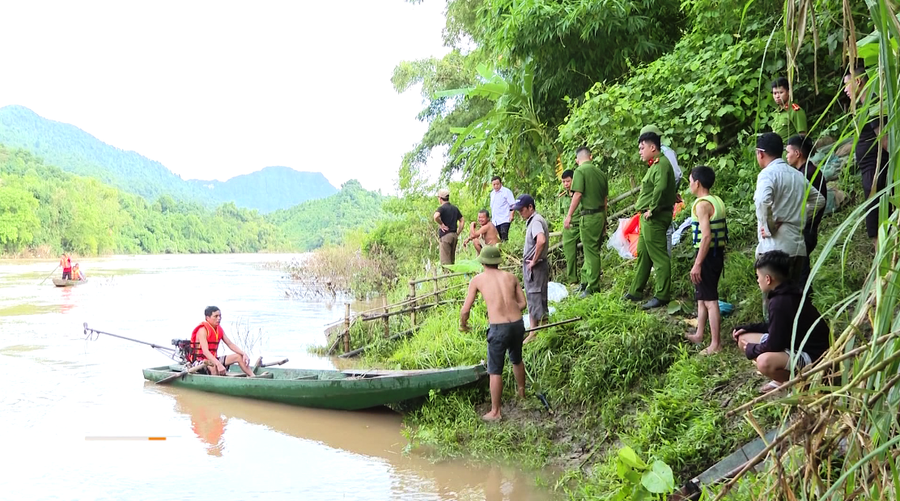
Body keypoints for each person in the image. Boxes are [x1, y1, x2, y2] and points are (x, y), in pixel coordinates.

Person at [733, 251, 831, 393]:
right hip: (794, 344)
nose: (757, 280)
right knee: (743, 337)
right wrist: (748, 328)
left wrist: (751, 349)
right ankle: (781, 380)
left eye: (758, 277)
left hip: (814, 356)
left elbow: (774, 344)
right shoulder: (786, 293)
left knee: (764, 362)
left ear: (768, 279)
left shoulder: (781, 301)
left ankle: (800, 384)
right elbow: (776, 327)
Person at [459, 245, 527, 421]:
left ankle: (495, 411)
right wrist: (510, 311)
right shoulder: (511, 277)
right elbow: (523, 303)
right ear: (498, 262)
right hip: (518, 324)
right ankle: (522, 393)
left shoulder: (478, 280)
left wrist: (463, 325)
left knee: (495, 369)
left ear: (482, 261)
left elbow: (465, 310)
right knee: (517, 359)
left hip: (499, 328)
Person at [754, 132, 824, 291]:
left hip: (774, 249)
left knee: (774, 300)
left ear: (761, 153)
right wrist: (798, 216)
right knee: (794, 297)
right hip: (797, 247)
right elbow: (819, 200)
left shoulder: (767, 174)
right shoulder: (796, 174)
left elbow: (763, 201)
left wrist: (769, 226)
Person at [625, 132, 677, 310]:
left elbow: (661, 188)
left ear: (652, 147)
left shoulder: (661, 164)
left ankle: (662, 295)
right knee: (644, 255)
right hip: (647, 218)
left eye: (642, 148)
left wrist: (652, 209)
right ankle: (636, 291)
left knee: (659, 257)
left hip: (655, 217)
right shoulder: (654, 165)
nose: (640, 151)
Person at [844, 61, 891, 244]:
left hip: (875, 168)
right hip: (870, 168)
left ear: (859, 82)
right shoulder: (864, 105)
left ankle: (882, 261)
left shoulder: (871, 104)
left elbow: (884, 139)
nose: (846, 91)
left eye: (848, 85)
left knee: (875, 218)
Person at [684, 166, 728, 355]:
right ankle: (700, 334)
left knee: (710, 300)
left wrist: (698, 263)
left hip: (708, 256)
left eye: (690, 181)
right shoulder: (715, 200)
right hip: (715, 253)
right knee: (702, 297)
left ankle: (716, 344)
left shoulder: (702, 205)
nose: (689, 185)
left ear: (697, 183)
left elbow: (706, 236)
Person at [563, 147, 608, 297]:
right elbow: (605, 199)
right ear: (591, 157)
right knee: (591, 250)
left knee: (591, 252)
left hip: (589, 216)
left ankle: (593, 286)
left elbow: (577, 194)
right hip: (600, 214)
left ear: (577, 160)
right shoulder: (601, 174)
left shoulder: (580, 172)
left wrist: (569, 215)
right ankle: (584, 281)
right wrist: (605, 220)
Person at [512, 194, 549, 342]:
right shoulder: (533, 221)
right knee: (534, 297)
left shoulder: (536, 221)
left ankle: (538, 331)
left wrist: (533, 261)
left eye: (522, 209)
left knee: (536, 296)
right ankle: (536, 330)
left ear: (530, 207)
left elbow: (541, 240)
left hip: (536, 266)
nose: (520, 213)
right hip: (535, 266)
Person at [785, 134, 828, 255]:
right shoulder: (807, 170)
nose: (786, 156)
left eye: (788, 152)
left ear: (797, 153)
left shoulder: (806, 174)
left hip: (805, 231)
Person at [189, 306, 255, 376]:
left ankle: (253, 377)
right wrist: (218, 364)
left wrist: (243, 353)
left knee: (239, 357)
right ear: (207, 318)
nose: (219, 318)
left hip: (213, 359)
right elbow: (205, 352)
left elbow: (230, 344)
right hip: (200, 361)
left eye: (220, 316)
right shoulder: (202, 330)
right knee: (213, 366)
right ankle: (216, 384)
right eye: (216, 316)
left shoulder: (219, 329)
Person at [558, 169, 584, 288]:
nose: (566, 184)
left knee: (588, 251)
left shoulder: (581, 193)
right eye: (563, 182)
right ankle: (573, 280)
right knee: (570, 256)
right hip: (569, 227)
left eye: (568, 181)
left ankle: (589, 276)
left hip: (582, 225)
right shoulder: (562, 197)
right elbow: (562, 213)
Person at [769, 77, 808, 141]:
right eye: (775, 93)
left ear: (788, 92)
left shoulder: (795, 111)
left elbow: (802, 136)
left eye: (781, 92)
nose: (777, 96)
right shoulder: (777, 112)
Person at [434, 188, 464, 265]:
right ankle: (452, 276)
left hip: (445, 236)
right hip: (454, 235)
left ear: (440, 198)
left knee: (445, 261)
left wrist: (441, 224)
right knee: (451, 259)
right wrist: (458, 232)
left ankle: (447, 276)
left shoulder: (442, 208)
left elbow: (436, 216)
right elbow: (462, 220)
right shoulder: (455, 208)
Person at [489, 176, 516, 242]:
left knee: (504, 236)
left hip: (505, 219)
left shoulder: (506, 192)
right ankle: (500, 251)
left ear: (501, 183)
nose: (496, 186)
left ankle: (506, 249)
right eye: (494, 184)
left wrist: (511, 215)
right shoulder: (492, 194)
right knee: (497, 238)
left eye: (497, 184)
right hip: (495, 221)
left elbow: (512, 204)